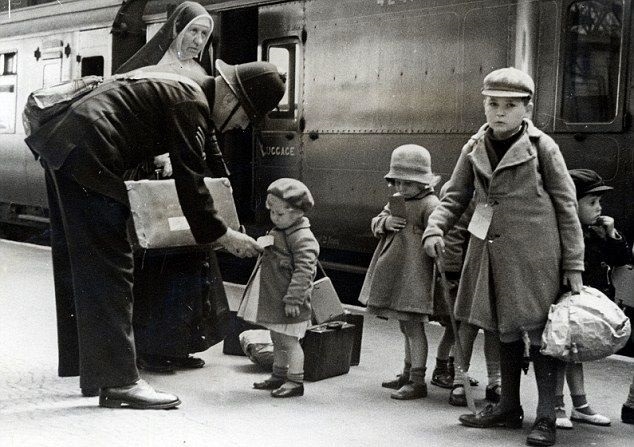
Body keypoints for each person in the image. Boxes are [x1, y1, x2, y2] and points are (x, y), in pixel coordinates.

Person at [24, 59, 285, 409]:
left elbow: (200, 166)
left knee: (82, 263)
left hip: (67, 143)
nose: (238, 126)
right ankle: (119, 382)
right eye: (244, 117)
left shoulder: (184, 85)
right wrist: (224, 236)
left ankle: (93, 371)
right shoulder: (191, 103)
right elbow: (189, 181)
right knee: (114, 268)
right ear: (230, 98)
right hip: (90, 151)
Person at [422, 67, 584, 446]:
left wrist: (573, 263)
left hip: (535, 256)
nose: (499, 112)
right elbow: (454, 196)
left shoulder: (544, 147)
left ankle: (546, 415)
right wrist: (435, 227)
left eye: (509, 106)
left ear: (527, 108)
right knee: (502, 328)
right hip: (489, 253)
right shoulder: (474, 146)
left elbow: (566, 205)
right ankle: (509, 408)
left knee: (543, 336)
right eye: (492, 104)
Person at [116, 2, 229, 373]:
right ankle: (149, 348)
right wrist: (158, 156)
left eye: (204, 34)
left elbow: (205, 129)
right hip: (151, 174)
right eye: (193, 31)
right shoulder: (148, 68)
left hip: (185, 170)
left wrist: (221, 172)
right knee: (157, 262)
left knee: (190, 258)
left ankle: (180, 343)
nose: (198, 40)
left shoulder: (201, 72)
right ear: (176, 29)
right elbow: (128, 122)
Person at [359, 144, 441, 400]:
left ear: (423, 183)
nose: (401, 189)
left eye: (407, 183)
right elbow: (377, 220)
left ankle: (418, 381)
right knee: (406, 327)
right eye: (397, 183)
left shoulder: (431, 204)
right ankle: (407, 373)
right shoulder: (397, 201)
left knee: (414, 328)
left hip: (415, 276)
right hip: (398, 273)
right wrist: (385, 222)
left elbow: (439, 230)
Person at [554, 168, 631, 429]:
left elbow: (621, 260)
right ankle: (555, 405)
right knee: (559, 355)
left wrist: (612, 234)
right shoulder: (561, 233)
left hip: (584, 304)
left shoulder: (597, 231)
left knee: (573, 355)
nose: (598, 208)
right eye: (592, 202)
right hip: (564, 304)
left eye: (599, 202)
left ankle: (580, 405)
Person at [238, 178, 319, 398]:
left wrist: (294, 299)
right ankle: (278, 374)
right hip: (277, 300)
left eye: (279, 214)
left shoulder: (302, 237)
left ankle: (295, 381)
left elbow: (305, 271)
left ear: (297, 213)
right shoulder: (282, 230)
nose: (274, 218)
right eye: (271, 212)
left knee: (290, 342)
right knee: (277, 338)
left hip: (290, 302)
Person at [434, 186, 501, 407]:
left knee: (489, 328)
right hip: (471, 271)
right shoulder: (477, 199)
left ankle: (491, 381)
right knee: (468, 327)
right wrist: (453, 271)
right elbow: (459, 237)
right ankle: (462, 380)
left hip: (493, 269)